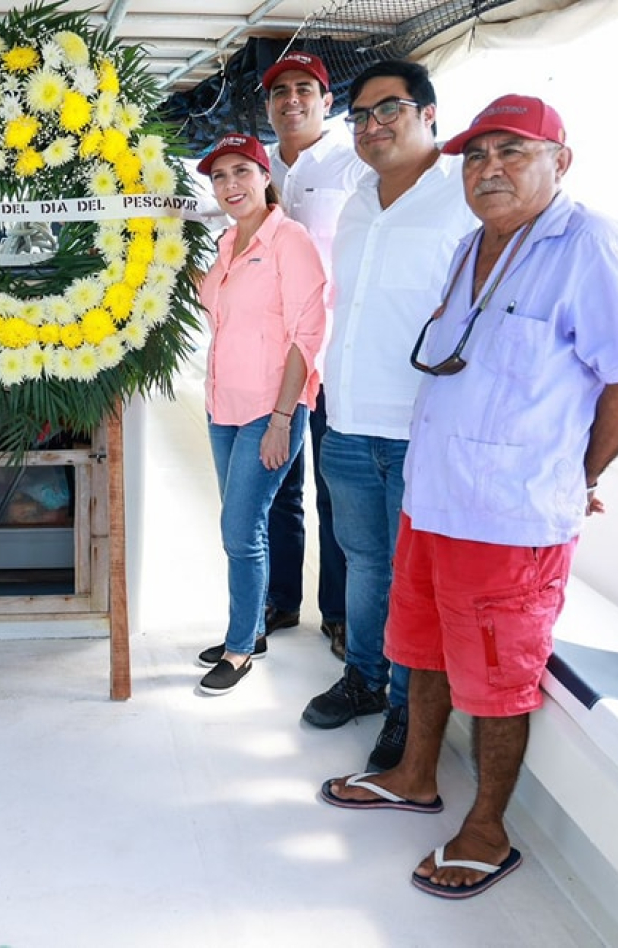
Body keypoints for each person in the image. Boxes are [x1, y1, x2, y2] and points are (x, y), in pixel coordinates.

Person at [321, 95, 618, 900]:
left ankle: (488, 828)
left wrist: (581, 477)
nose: (489, 169)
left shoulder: (593, 247)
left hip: (510, 517)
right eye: (476, 156)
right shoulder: (476, 244)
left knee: (501, 679)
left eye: (512, 151)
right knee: (424, 647)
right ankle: (414, 776)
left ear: (560, 162)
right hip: (435, 496)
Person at [301, 61, 476, 771]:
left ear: (428, 113)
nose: (372, 127)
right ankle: (365, 679)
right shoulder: (358, 201)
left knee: (415, 576)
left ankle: (408, 704)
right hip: (346, 418)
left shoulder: (463, 197)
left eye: (388, 110)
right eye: (361, 117)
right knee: (365, 564)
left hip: (420, 429)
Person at [192, 133, 327, 697]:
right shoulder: (225, 244)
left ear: (264, 175)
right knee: (245, 523)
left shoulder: (289, 241)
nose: (230, 186)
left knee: (239, 528)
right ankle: (252, 626)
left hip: (269, 411)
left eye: (241, 172)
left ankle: (240, 648)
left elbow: (307, 334)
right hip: (223, 405)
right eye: (220, 176)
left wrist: (280, 418)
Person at [259, 50, 365, 659]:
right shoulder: (257, 165)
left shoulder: (355, 164)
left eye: (305, 89)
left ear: (329, 102)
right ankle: (279, 601)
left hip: (331, 356)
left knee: (334, 487)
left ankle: (339, 614)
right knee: (275, 483)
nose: (291, 100)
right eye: (279, 92)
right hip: (273, 358)